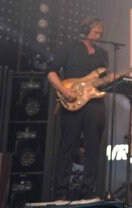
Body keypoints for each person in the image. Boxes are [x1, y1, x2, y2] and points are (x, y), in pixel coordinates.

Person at [46, 16, 108, 203]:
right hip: (70, 100)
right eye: (95, 32)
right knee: (67, 145)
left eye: (100, 33)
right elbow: (51, 71)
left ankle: (89, 190)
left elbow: (101, 79)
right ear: (85, 30)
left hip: (94, 104)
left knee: (93, 147)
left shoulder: (103, 53)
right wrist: (64, 91)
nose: (98, 36)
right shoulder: (69, 48)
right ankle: (61, 192)